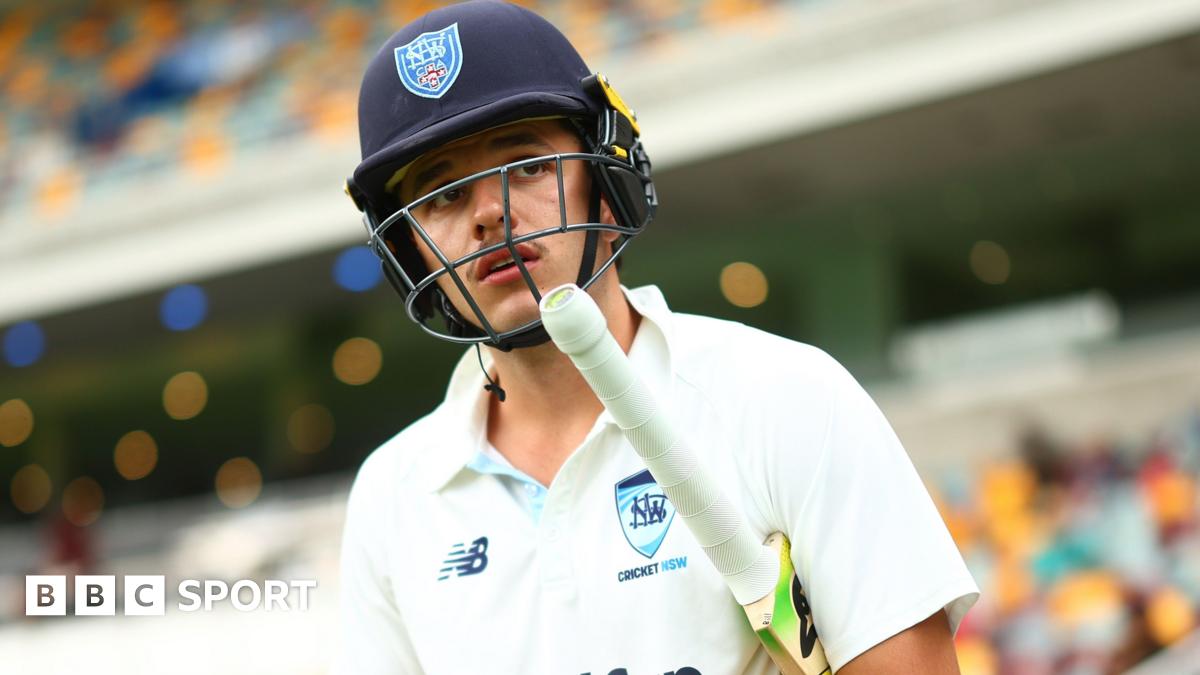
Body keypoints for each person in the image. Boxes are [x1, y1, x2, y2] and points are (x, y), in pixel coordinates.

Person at [337, 2, 978, 673]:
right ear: (411, 250)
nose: (488, 211)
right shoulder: (391, 496)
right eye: (442, 195)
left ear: (607, 183)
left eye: (525, 165)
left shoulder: (786, 397)